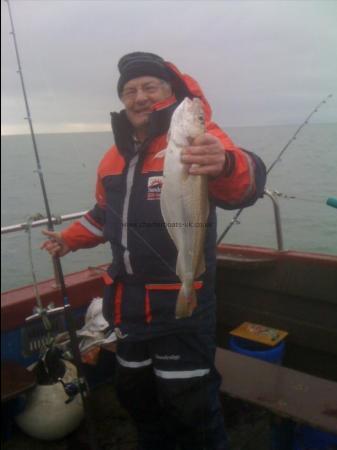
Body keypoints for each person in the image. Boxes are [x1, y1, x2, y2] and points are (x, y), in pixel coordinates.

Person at [42, 52, 267, 450]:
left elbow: (242, 185)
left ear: (172, 93)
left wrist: (228, 163)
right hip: (127, 306)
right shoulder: (113, 157)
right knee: (136, 395)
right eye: (130, 90)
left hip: (182, 308)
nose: (139, 96)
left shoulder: (198, 138)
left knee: (191, 406)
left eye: (150, 86)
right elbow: (102, 214)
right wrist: (69, 240)